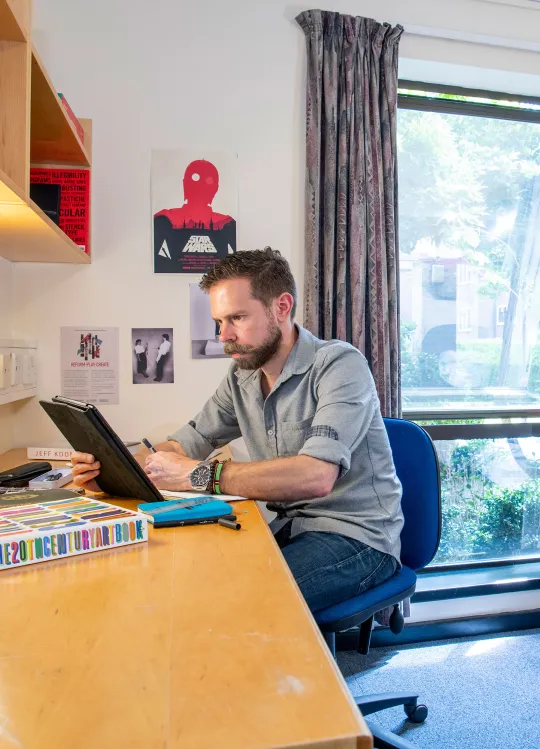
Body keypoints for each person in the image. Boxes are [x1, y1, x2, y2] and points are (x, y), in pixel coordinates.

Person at [72, 248, 404, 613]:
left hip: (357, 537)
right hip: (293, 527)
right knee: (192, 579)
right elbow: (189, 441)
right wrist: (114, 470)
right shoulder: (242, 375)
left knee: (237, 604)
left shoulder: (340, 365)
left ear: (281, 307)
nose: (223, 336)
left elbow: (316, 476)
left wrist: (200, 476)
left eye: (237, 318)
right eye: (219, 322)